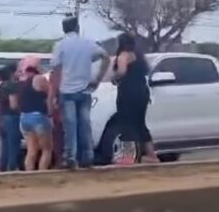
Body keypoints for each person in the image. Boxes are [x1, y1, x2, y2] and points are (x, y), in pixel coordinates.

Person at [51, 15, 111, 169]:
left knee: (70, 126)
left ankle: (71, 157)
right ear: (77, 28)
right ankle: (88, 156)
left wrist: (54, 93)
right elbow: (105, 56)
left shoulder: (60, 45)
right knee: (85, 124)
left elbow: (56, 70)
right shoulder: (88, 44)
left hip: (67, 90)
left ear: (64, 30)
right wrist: (98, 79)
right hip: (85, 91)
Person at [113, 33, 158, 164]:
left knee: (126, 124)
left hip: (127, 92)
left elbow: (121, 71)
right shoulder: (139, 56)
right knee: (140, 124)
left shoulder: (124, 56)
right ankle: (152, 155)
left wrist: (114, 76)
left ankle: (128, 157)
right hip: (142, 92)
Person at [14, 65, 53, 171]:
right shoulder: (40, 79)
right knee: (46, 149)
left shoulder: (21, 84)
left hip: (24, 118)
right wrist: (50, 112)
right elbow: (50, 96)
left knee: (31, 150)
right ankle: (42, 174)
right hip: (38, 117)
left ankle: (29, 175)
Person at [0, 63, 21, 171]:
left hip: (2, 117)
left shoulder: (0, 86)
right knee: (13, 145)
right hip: (12, 118)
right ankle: (12, 168)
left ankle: (3, 168)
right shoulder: (12, 86)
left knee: (5, 146)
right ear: (11, 73)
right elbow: (13, 104)